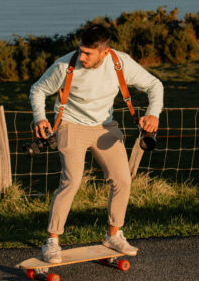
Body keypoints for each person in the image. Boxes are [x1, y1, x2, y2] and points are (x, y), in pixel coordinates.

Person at [29, 24, 163, 263]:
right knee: (72, 181)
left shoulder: (120, 62)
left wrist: (153, 114)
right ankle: (51, 241)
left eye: (88, 53)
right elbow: (38, 89)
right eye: (80, 50)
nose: (82, 57)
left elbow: (155, 85)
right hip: (71, 125)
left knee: (122, 179)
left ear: (105, 51)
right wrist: (40, 117)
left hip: (105, 127)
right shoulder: (64, 66)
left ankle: (113, 235)